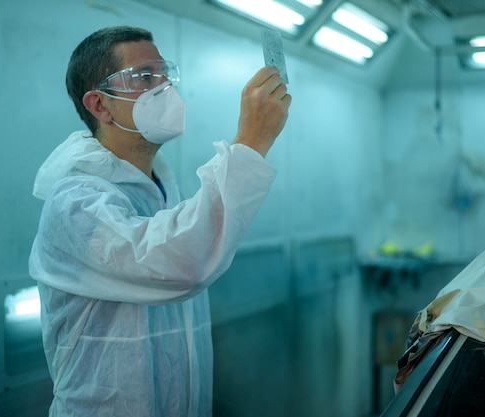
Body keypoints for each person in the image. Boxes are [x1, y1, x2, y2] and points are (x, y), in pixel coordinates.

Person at [28, 25, 291, 417]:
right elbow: (181, 262)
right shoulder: (74, 204)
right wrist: (250, 142)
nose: (164, 86)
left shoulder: (161, 192)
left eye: (166, 73)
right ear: (100, 105)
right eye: (145, 76)